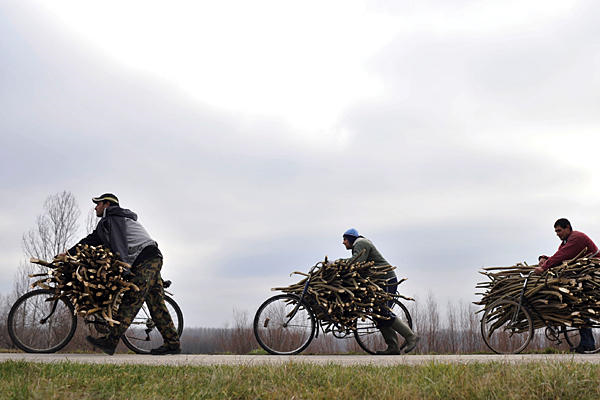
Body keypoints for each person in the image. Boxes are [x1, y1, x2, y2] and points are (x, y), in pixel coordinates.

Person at [65, 193, 181, 355]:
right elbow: (93, 239)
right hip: (151, 257)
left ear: (107, 204)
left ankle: (110, 341)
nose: (95, 207)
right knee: (156, 304)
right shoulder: (118, 219)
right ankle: (172, 343)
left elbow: (111, 243)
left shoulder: (113, 219)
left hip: (145, 260)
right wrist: (70, 253)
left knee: (131, 300)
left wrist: (67, 254)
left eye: (98, 204)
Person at [341, 228, 419, 354]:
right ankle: (393, 347)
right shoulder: (359, 245)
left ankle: (411, 336)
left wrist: (339, 262)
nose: (343, 242)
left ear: (350, 238)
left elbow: (356, 263)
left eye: (345, 239)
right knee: (378, 314)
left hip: (386, 280)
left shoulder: (360, 243)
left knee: (384, 312)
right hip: (379, 282)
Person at [534, 218, 599, 353]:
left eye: (559, 230)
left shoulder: (576, 238)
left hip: (592, 273)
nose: (557, 233)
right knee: (579, 307)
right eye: (555, 231)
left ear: (568, 228)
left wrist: (544, 267)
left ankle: (588, 344)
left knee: (582, 307)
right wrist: (545, 258)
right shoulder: (566, 242)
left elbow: (563, 254)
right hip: (582, 275)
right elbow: (559, 256)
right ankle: (587, 344)